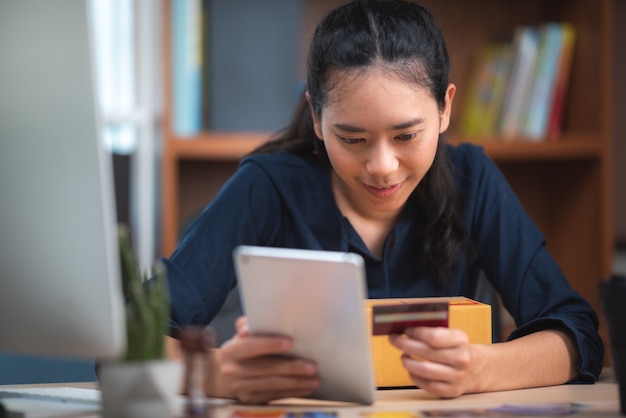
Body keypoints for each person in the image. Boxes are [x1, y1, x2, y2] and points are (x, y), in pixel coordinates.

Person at [162, 0, 603, 405]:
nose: (382, 166)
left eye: (406, 136)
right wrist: (217, 374)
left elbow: (578, 337)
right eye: (352, 138)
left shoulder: (473, 180)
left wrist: (483, 368)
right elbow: (132, 340)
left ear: (445, 108)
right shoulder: (267, 187)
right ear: (316, 117)